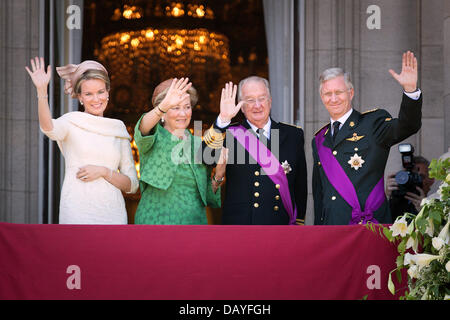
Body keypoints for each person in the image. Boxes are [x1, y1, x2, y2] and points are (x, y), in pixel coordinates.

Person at [312, 51, 423, 225]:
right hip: (332, 229)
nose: (333, 99)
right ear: (321, 97)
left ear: (351, 93)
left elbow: (407, 126)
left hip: (368, 225)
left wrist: (410, 91)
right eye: (327, 94)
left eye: (339, 92)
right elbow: (320, 193)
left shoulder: (372, 124)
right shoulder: (319, 139)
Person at [25, 57, 139, 224]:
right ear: (79, 97)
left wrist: (104, 171)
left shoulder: (118, 128)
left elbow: (132, 185)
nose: (96, 99)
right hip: (76, 211)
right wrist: (42, 92)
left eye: (101, 92)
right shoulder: (71, 121)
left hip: (112, 214)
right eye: (88, 94)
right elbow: (48, 128)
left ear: (108, 91)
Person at [202, 76, 308, 225]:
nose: (257, 105)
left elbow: (300, 185)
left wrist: (298, 221)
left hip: (280, 226)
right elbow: (205, 157)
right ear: (242, 106)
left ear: (270, 101)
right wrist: (223, 120)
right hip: (241, 226)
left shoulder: (293, 135)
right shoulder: (230, 133)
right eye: (250, 100)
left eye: (262, 98)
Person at [134, 78, 226, 225]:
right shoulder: (152, 137)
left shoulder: (199, 144)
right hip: (155, 223)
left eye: (187, 107)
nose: (183, 113)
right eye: (175, 107)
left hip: (194, 225)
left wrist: (219, 175)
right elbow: (142, 127)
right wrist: (163, 106)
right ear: (162, 113)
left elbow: (208, 196)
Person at [386, 156, 435, 220]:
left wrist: (424, 211)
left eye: (419, 177)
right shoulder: (396, 199)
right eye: (409, 177)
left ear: (431, 180)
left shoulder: (436, 203)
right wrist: (386, 197)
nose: (412, 181)